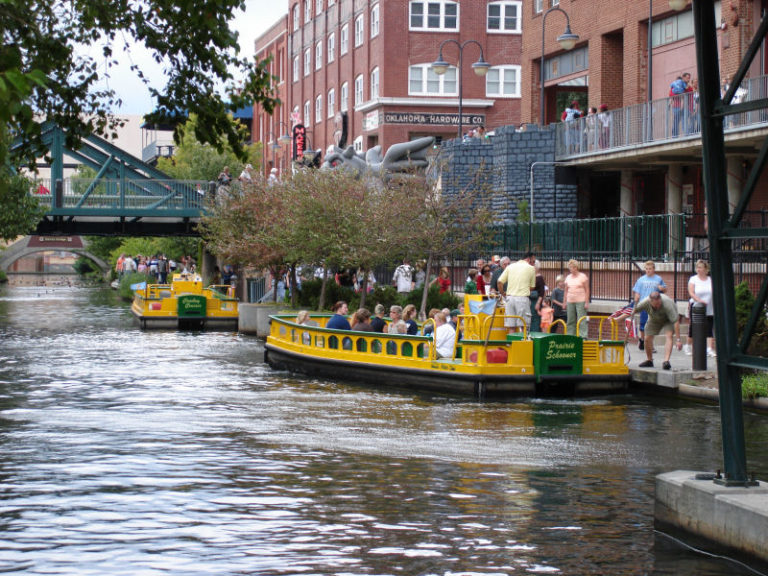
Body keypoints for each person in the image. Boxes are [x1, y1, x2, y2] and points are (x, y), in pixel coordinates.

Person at [633, 291, 682, 370]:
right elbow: (632, 311)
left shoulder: (667, 303)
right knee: (647, 338)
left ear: (660, 300)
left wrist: (678, 339)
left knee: (669, 336)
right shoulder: (645, 302)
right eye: (655, 305)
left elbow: (676, 322)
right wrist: (618, 318)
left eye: (659, 304)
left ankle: (666, 361)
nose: (658, 306)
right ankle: (649, 360)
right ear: (650, 301)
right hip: (654, 318)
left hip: (668, 319)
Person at [497, 252, 536, 334]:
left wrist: (503, 293)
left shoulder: (510, 267)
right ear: (528, 259)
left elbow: (499, 282)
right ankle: (523, 345)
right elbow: (532, 287)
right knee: (524, 327)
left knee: (511, 327)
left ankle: (511, 345)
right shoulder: (531, 268)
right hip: (522, 298)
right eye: (533, 261)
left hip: (509, 298)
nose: (533, 264)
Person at [632, 261, 667, 350]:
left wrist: (662, 288)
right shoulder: (641, 280)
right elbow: (637, 291)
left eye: (650, 269)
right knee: (643, 325)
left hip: (654, 305)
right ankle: (642, 340)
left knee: (652, 325)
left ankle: (650, 344)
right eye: (646, 269)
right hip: (644, 304)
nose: (648, 271)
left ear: (653, 269)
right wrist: (636, 296)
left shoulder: (658, 279)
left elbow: (664, 289)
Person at [686, 259, 715, 357]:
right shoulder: (693, 279)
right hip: (696, 306)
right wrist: (699, 300)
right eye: (697, 267)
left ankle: (709, 348)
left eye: (700, 267)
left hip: (709, 307)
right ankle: (688, 345)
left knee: (709, 328)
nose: (698, 269)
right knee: (694, 326)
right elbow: (691, 292)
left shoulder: (710, 280)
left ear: (706, 269)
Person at [564, 259, 590, 338]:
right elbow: (565, 290)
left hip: (581, 300)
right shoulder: (568, 277)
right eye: (570, 268)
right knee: (570, 319)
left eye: (572, 267)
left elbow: (587, 289)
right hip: (570, 300)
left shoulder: (583, 277)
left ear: (576, 267)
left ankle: (583, 336)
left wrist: (586, 302)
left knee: (581, 319)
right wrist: (564, 302)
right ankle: (570, 335)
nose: (571, 269)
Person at [530, 260, 547, 332]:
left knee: (536, 319)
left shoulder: (540, 278)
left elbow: (542, 292)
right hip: (529, 300)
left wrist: (538, 303)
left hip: (536, 300)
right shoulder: (531, 277)